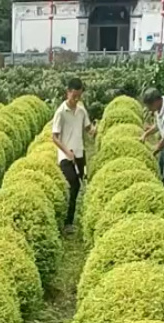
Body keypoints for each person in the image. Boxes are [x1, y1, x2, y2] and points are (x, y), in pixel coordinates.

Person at [52, 78, 95, 233]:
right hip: (65, 156)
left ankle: (72, 216)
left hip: (79, 153)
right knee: (73, 184)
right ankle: (67, 222)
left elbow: (88, 127)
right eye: (74, 96)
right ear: (68, 92)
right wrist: (66, 151)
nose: (76, 99)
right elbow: (54, 137)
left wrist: (93, 131)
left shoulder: (81, 110)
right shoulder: (61, 112)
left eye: (79, 96)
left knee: (81, 183)